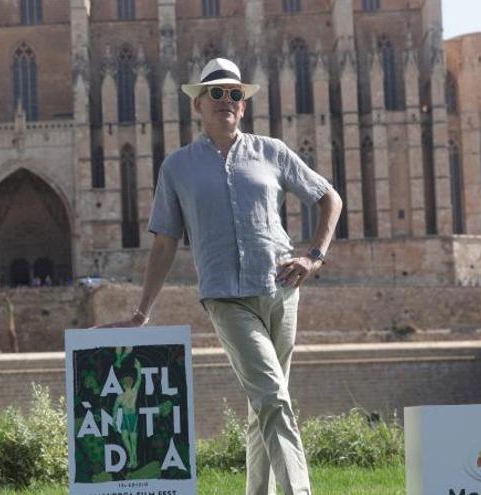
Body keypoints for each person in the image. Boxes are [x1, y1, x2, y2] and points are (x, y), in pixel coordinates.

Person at [97, 57, 343, 495]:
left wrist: (314, 257)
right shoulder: (177, 167)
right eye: (216, 93)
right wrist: (141, 313)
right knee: (273, 397)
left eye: (235, 94)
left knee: (263, 404)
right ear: (198, 105)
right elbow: (164, 243)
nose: (226, 100)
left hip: (282, 290)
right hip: (225, 298)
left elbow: (330, 199)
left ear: (243, 106)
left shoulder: (273, 151)